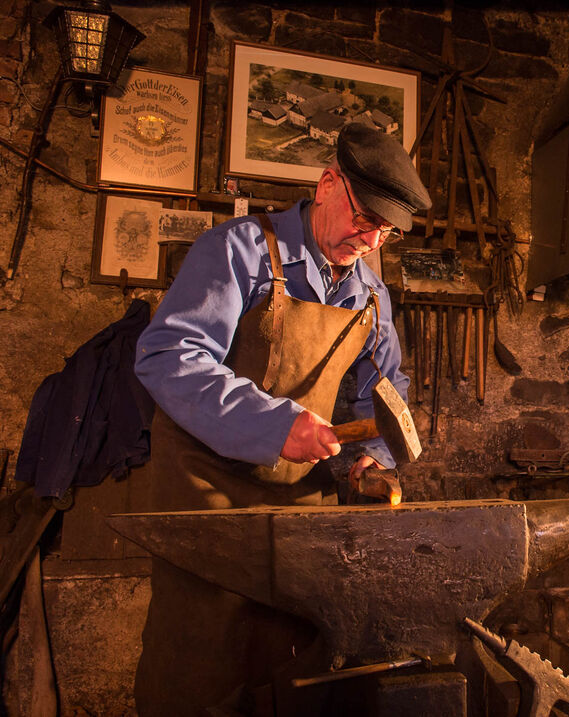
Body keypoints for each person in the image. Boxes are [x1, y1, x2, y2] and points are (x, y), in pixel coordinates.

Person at [131, 122, 432, 716]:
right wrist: (273, 425)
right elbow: (169, 358)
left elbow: (376, 391)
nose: (370, 241)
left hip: (300, 503)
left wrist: (368, 458)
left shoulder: (372, 295)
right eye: (364, 219)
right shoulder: (237, 249)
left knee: (290, 661)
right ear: (327, 185)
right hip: (207, 494)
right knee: (201, 661)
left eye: (386, 231)